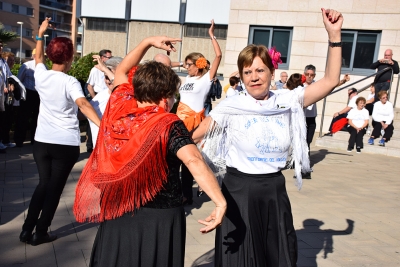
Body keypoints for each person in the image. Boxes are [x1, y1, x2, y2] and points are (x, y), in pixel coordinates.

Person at [193, 8, 343, 267]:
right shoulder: (231, 107)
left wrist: (335, 35)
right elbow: (191, 137)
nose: (254, 77)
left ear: (272, 72)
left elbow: (331, 80)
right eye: (247, 72)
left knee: (277, 256)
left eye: (260, 70)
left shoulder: (288, 101)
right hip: (238, 191)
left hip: (273, 190)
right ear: (241, 76)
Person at [73, 35, 226, 267]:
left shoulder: (119, 104)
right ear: (165, 96)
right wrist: (219, 201)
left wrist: (147, 42)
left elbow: (123, 70)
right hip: (158, 219)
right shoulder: (167, 124)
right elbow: (193, 159)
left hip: (116, 209)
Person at [19, 18, 101, 246]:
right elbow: (83, 105)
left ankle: (26, 230)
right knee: (54, 189)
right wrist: (103, 127)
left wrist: (40, 34)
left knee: (43, 184)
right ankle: (41, 232)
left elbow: (38, 58)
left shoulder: (41, 75)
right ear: (69, 57)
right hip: (64, 144)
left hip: (41, 142)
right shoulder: (70, 81)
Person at [177, 19, 222, 205]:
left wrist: (211, 35)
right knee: (176, 158)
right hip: (179, 120)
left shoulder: (206, 79)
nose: (186, 67)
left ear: (198, 64)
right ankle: (182, 192)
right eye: (186, 64)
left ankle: (189, 193)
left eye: (189, 64)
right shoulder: (186, 78)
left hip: (194, 122)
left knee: (190, 159)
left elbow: (218, 56)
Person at [87, 56, 123, 147]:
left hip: (118, 152)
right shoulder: (100, 96)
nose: (108, 81)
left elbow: (120, 86)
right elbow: (84, 114)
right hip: (99, 151)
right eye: (106, 77)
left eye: (110, 76)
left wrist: (105, 69)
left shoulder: (126, 96)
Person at [85, 49, 112, 153]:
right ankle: (90, 146)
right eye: (109, 57)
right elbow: (89, 86)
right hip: (98, 97)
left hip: (109, 97)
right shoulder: (95, 70)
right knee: (93, 123)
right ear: (102, 58)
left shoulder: (110, 69)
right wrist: (94, 100)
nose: (110, 59)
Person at [14, 48, 41, 147]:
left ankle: (35, 140)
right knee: (23, 117)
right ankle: (19, 140)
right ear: (33, 56)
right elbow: (19, 79)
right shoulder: (27, 65)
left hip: (38, 94)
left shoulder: (44, 67)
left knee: (37, 118)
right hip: (27, 93)